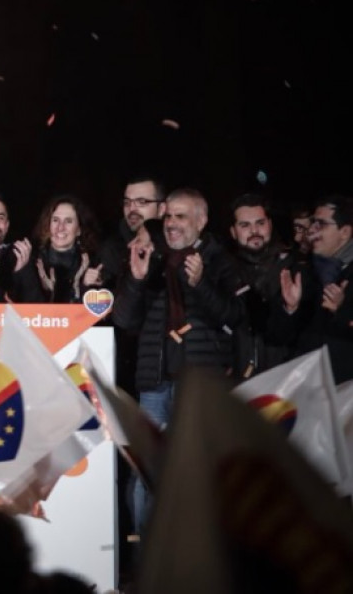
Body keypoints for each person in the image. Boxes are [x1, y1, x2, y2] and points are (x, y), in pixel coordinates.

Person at [112, 187, 244, 537]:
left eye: (180, 217)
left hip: (199, 386)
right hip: (154, 386)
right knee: (147, 476)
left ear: (201, 221)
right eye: (168, 216)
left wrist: (200, 284)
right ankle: (147, 568)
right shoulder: (149, 257)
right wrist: (138, 281)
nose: (171, 224)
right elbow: (124, 321)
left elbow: (233, 317)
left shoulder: (219, 261)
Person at [278, 194, 353, 383]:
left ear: (344, 232)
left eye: (321, 224)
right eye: (312, 223)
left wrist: (342, 311)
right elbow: (286, 337)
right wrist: (291, 309)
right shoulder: (306, 271)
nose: (312, 230)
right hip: (311, 388)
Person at [226, 194, 300, 375]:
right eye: (245, 225)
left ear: (270, 225)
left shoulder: (294, 267)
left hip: (284, 382)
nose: (254, 231)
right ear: (233, 232)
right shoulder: (223, 271)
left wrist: (291, 308)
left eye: (260, 223)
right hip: (236, 382)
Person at [29, 194, 103, 304]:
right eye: (55, 220)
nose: (60, 227)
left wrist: (85, 287)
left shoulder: (92, 264)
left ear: (79, 229)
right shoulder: (32, 261)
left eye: (68, 221)